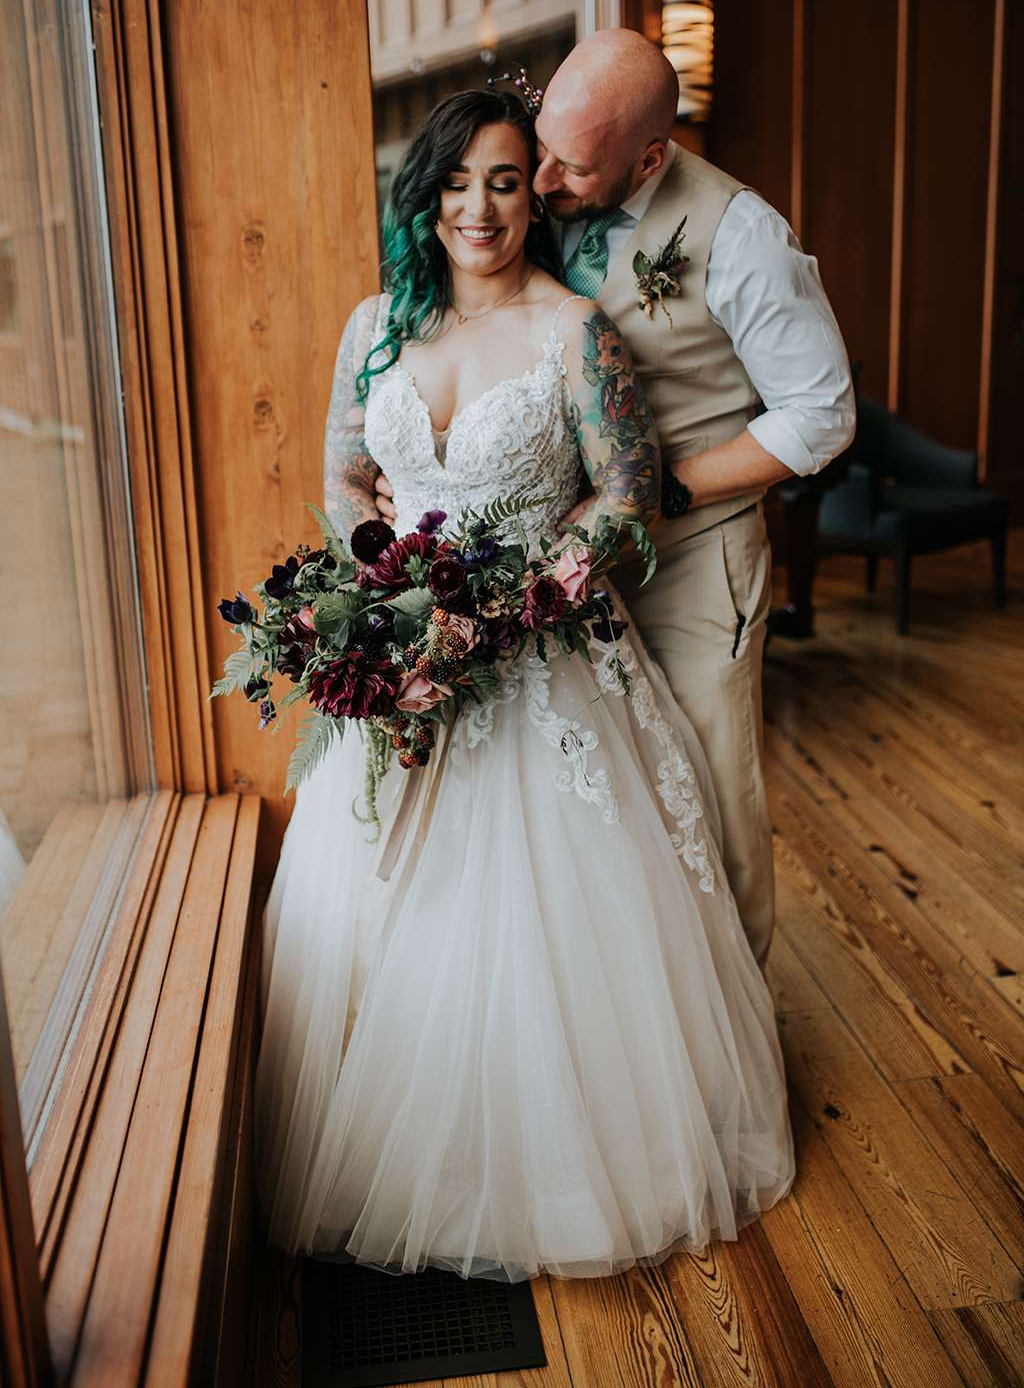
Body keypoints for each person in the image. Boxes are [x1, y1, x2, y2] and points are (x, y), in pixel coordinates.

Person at [255, 87, 795, 1283]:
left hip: (542, 653)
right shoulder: (374, 326)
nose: (479, 207)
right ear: (425, 195)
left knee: (548, 929)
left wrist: (518, 598)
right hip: (404, 647)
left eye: (504, 181)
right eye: (456, 182)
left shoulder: (574, 330)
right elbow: (343, 473)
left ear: (532, 198)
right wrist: (380, 581)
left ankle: (563, 1156)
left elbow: (623, 493)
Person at [376, 32, 855, 966]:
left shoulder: (741, 235)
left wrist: (659, 490)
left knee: (705, 795)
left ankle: (736, 1016)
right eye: (542, 151)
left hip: (689, 560)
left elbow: (823, 415)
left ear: (648, 158)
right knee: (601, 814)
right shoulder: (546, 186)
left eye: (572, 167)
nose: (543, 180)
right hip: (549, 562)